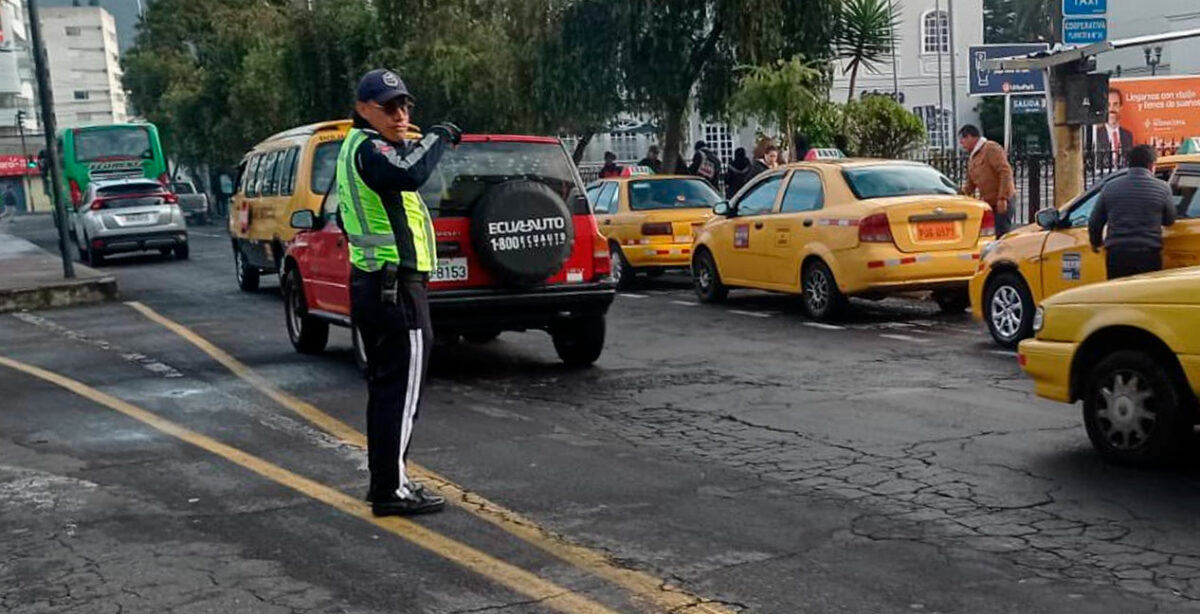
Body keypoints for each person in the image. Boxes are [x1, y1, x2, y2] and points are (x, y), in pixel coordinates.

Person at [337, 68, 462, 517]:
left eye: (405, 105)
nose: (400, 114)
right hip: (394, 289)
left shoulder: (360, 149)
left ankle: (387, 482)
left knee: (388, 390)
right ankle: (392, 488)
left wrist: (412, 140)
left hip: (380, 285)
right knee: (400, 393)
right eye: (389, 107)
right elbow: (409, 175)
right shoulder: (370, 150)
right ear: (363, 108)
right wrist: (439, 137)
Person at [1088, 144, 1176, 280]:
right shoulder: (1162, 188)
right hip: (1148, 253)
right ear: (1151, 165)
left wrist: (1096, 243)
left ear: (1129, 164)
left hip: (1117, 253)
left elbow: (1095, 222)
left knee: (1120, 295)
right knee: (1145, 295)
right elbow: (1169, 220)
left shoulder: (1110, 187)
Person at [959, 124, 1015, 237]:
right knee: (989, 236)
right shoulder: (973, 157)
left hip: (1000, 202)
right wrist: (959, 195)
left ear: (970, 137)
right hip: (989, 203)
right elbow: (970, 184)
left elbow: (1005, 172)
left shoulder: (990, 148)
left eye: (963, 139)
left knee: (1002, 235)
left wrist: (1002, 198)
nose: (961, 143)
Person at [1088, 88, 1135, 170]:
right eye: (1108, 105)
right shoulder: (1096, 135)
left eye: (1115, 104)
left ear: (1121, 107)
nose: (1111, 109)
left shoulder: (1128, 135)